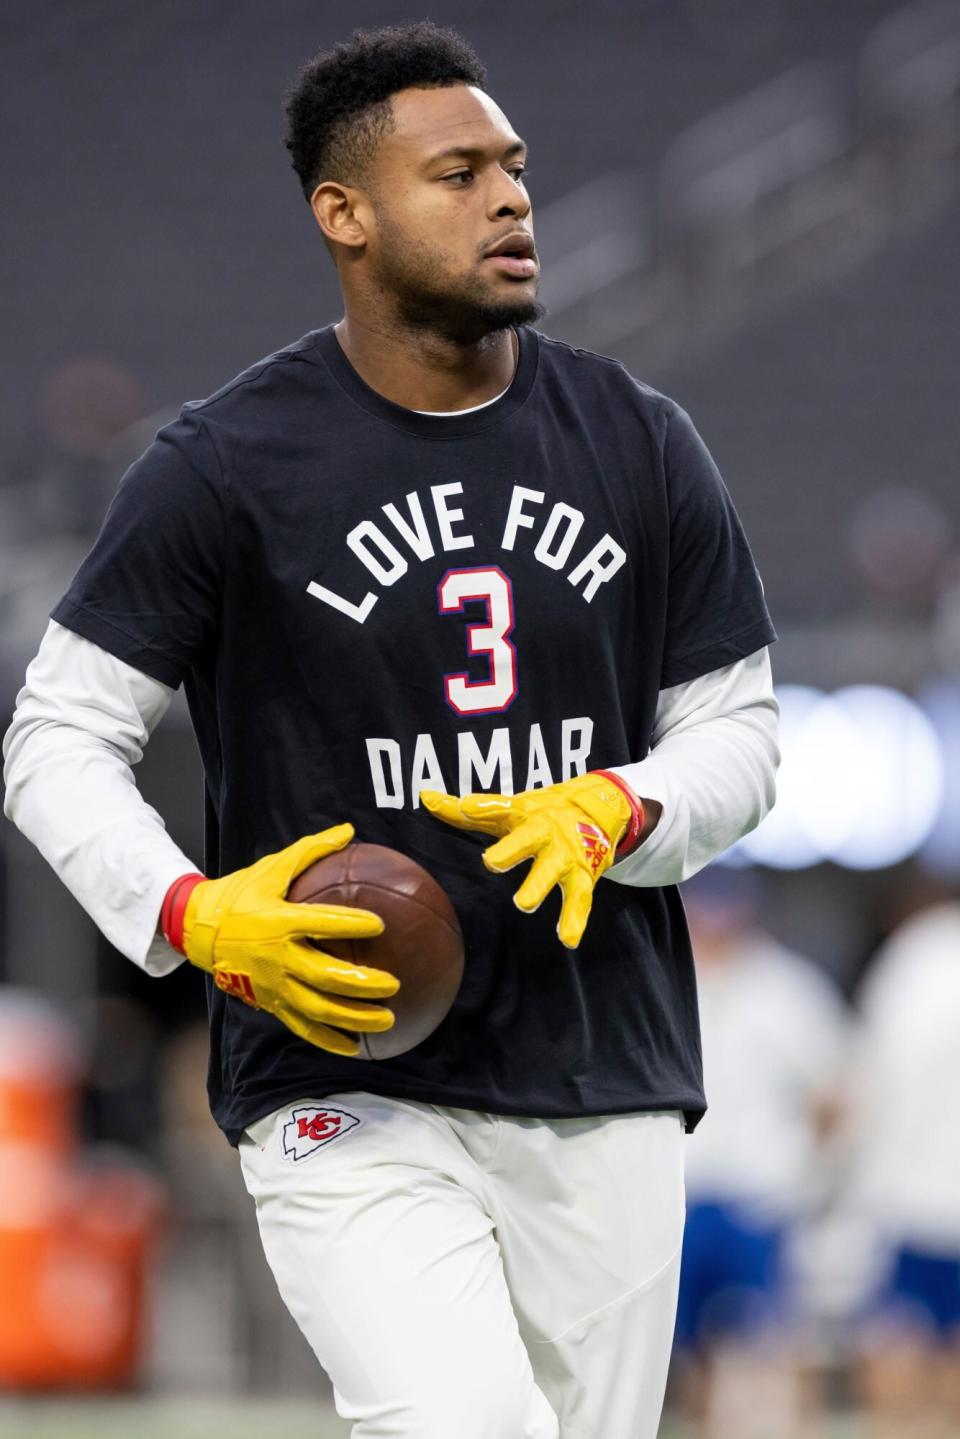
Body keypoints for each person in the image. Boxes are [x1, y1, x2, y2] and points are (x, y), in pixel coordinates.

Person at [2, 22, 779, 1439]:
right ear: (344, 213)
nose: (511, 199)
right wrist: (191, 912)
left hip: (599, 1061)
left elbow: (739, 734)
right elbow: (54, 732)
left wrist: (626, 808)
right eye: (460, 171)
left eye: (519, 170)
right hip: (342, 1066)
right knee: (462, 1422)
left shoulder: (642, 438)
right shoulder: (225, 462)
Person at [671, 868, 849, 1439]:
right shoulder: (668, 979)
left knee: (758, 1348)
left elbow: (835, 1093)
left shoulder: (787, 989)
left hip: (756, 1197)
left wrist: (804, 1178)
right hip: (680, 1193)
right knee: (675, 1351)